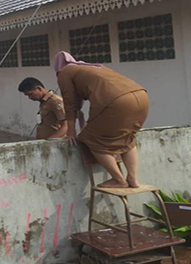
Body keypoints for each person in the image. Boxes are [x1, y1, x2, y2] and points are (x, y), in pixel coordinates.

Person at [55, 51, 148, 188]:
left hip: (117, 101)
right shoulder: (91, 67)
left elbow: (70, 104)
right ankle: (133, 179)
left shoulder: (64, 73)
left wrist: (71, 133)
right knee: (128, 138)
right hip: (141, 96)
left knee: (90, 138)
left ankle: (119, 180)